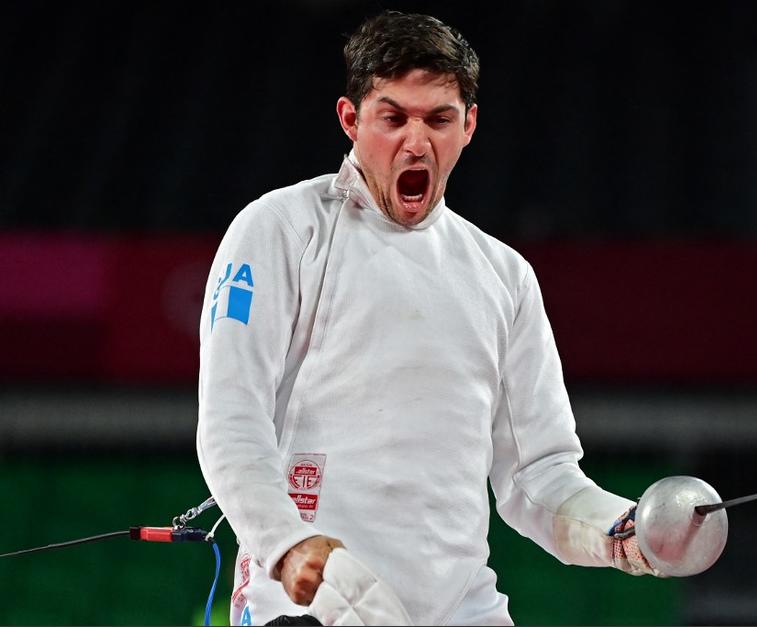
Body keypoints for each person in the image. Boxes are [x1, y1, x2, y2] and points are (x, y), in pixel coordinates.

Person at [197, 11, 662, 626]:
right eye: (393, 118)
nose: (416, 142)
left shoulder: (504, 276)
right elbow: (233, 422)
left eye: (438, 119)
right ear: (350, 120)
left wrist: (619, 528)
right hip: (312, 605)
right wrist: (285, 543)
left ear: (468, 125)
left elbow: (539, 476)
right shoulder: (281, 229)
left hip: (463, 611)